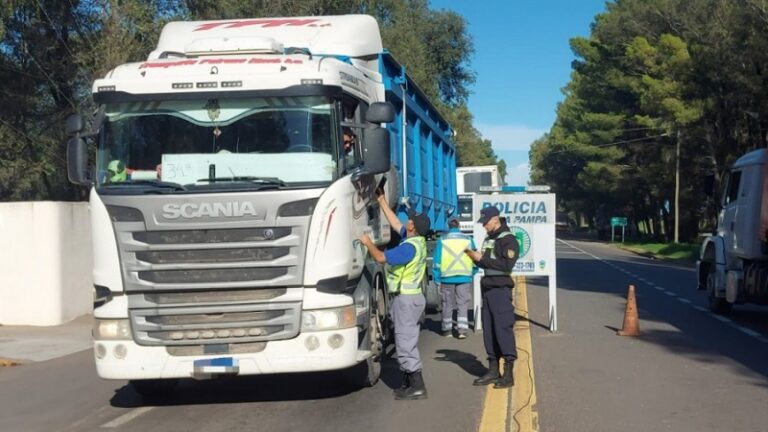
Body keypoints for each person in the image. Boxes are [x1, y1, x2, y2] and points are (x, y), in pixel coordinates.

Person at [359, 192, 431, 400]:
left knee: (405, 342)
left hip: (406, 300)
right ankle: (409, 383)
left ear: (412, 227)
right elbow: (394, 223)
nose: (406, 221)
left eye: (409, 220)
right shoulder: (416, 241)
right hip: (412, 298)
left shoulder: (408, 248)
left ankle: (417, 386)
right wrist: (381, 200)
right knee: (406, 339)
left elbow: (381, 257)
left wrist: (367, 242)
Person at [465, 206, 519, 389]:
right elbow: (485, 262)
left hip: (500, 290)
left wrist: (480, 258)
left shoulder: (508, 240)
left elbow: (506, 264)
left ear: (495, 220)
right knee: (489, 332)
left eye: (486, 222)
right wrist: (473, 257)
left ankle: (508, 374)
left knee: (503, 330)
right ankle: (493, 370)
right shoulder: (489, 239)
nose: (484, 226)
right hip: (487, 290)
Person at [433, 218, 477, 338]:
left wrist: (437, 279)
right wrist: (472, 272)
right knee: (462, 302)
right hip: (464, 276)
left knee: (447, 303)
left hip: (447, 277)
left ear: (448, 226)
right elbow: (475, 258)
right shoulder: (468, 240)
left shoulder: (442, 240)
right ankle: (462, 330)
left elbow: (437, 261)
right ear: (459, 226)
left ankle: (447, 330)